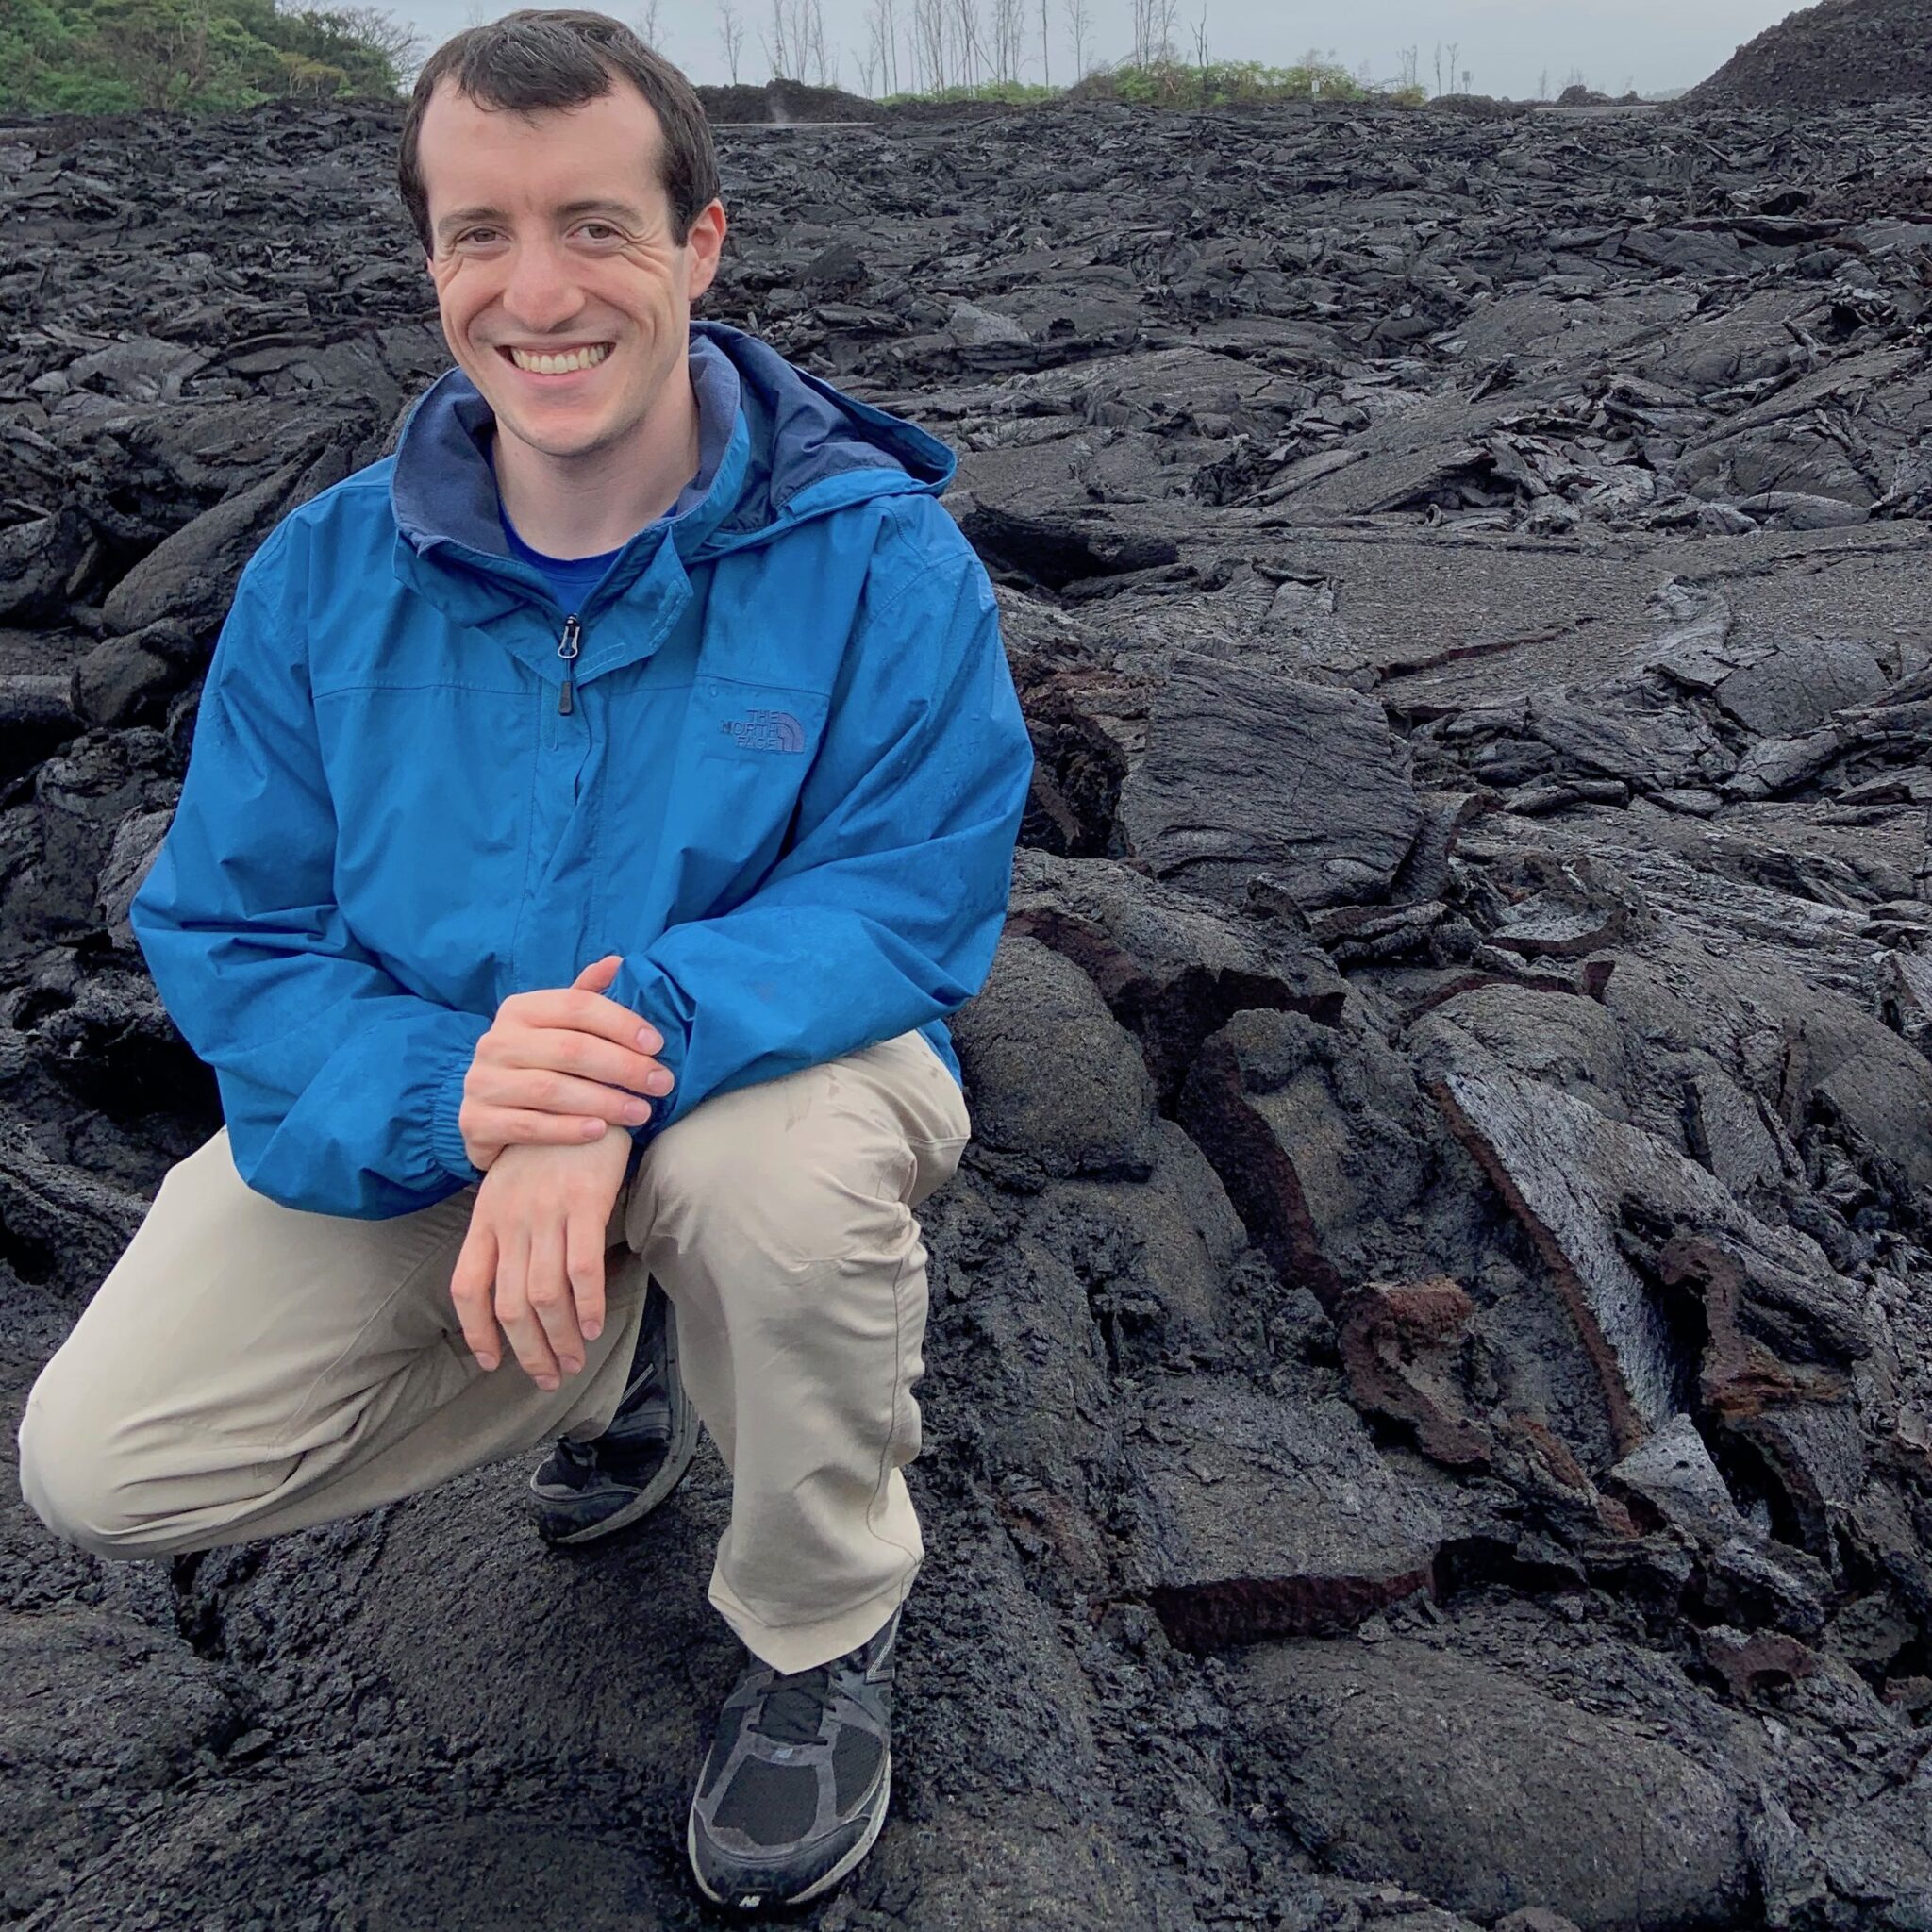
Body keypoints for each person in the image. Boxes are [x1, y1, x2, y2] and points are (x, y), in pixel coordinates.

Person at [14, 9, 1034, 1912]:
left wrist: (623, 1047)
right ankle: (603, 1364)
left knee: (781, 1190)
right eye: (480, 233)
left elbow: (908, 889)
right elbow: (234, 929)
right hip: (438, 1090)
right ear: (430, 263)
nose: (536, 290)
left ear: (699, 245)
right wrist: (453, 1091)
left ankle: (816, 1636)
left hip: (760, 1069)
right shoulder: (325, 575)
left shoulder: (876, 555)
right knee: (102, 1459)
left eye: (594, 226)